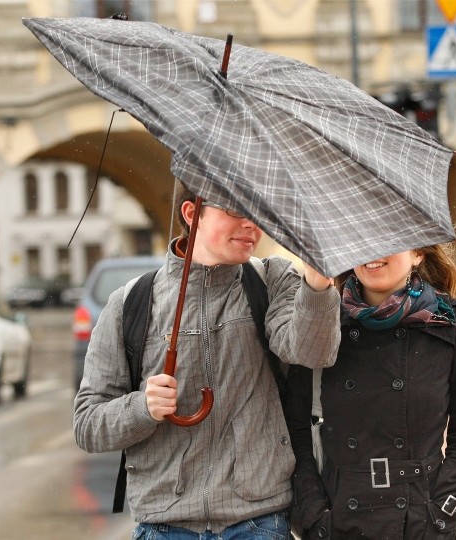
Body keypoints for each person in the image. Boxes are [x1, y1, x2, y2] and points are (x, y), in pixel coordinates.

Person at [73, 184, 342, 538]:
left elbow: (311, 351)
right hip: (164, 526)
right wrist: (143, 407)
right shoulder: (130, 304)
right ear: (191, 213)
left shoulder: (271, 281)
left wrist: (319, 284)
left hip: (258, 521)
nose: (251, 225)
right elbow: (88, 425)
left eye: (257, 213)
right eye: (236, 211)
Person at [287, 241, 456, 539]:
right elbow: (294, 427)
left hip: (423, 522)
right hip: (340, 521)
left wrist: (444, 510)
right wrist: (313, 515)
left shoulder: (451, 321)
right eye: (362, 240)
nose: (372, 253)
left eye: (388, 241)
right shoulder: (321, 322)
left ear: (418, 253)